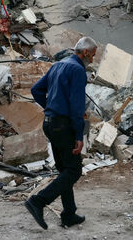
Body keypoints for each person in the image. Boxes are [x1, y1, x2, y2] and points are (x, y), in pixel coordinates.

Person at [25, 37, 97, 230]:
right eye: (92, 55)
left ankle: (69, 214)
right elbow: (76, 107)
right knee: (73, 170)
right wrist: (79, 136)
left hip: (49, 123)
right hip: (63, 126)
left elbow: (36, 89)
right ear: (85, 53)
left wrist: (51, 107)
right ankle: (38, 201)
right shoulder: (77, 70)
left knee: (65, 169)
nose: (93, 59)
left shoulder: (58, 65)